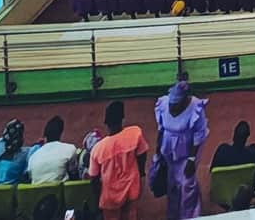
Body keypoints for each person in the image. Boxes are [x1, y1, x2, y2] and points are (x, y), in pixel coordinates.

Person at [153, 81, 209, 220]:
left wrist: (191, 159)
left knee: (187, 185)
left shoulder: (196, 108)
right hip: (168, 151)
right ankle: (173, 215)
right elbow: (161, 130)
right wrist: (158, 153)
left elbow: (198, 135)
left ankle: (190, 216)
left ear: (184, 100)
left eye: (176, 103)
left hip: (187, 152)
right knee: (172, 184)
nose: (173, 106)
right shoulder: (163, 104)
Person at [88, 103, 148, 220]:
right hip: (132, 188)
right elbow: (142, 156)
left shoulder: (98, 149)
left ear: (106, 123)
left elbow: (94, 179)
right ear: (122, 119)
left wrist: (98, 203)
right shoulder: (135, 133)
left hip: (110, 196)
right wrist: (140, 175)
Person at [25, 118, 79, 185]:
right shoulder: (70, 149)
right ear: (60, 133)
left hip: (37, 191)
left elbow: (30, 177)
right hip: (61, 191)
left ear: (45, 137)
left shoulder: (33, 157)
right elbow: (74, 174)